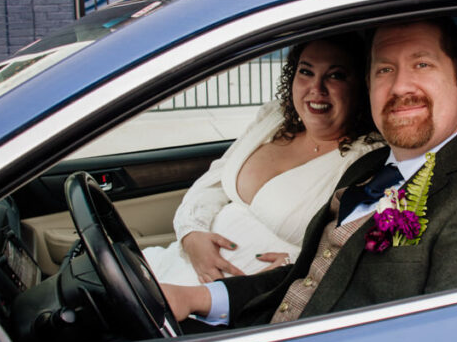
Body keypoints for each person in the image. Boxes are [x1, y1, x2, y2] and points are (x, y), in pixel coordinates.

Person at [162, 18, 457, 327]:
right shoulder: (370, 167)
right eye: (384, 70)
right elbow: (306, 278)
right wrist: (197, 299)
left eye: (422, 64)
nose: (400, 86)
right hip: (255, 331)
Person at [143, 34, 381, 286]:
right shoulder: (273, 118)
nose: (316, 88)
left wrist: (295, 263)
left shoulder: (367, 158)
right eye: (306, 72)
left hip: (246, 307)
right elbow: (212, 183)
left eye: (336, 75)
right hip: (174, 268)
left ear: (362, 86)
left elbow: (351, 253)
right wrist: (191, 234)